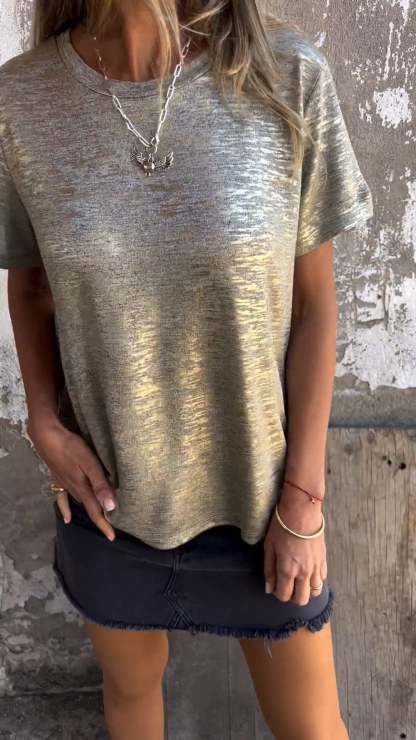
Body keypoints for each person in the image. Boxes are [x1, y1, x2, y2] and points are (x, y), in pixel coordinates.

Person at [0, 1, 373, 738]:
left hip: (264, 504)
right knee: (131, 698)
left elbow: (315, 306)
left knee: (314, 728)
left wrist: (303, 502)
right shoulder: (24, 99)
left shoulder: (285, 76)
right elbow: (31, 281)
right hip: (110, 504)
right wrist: (43, 420)